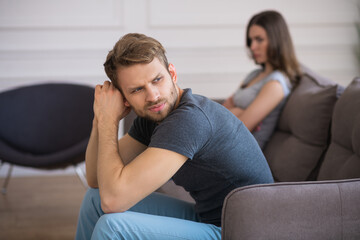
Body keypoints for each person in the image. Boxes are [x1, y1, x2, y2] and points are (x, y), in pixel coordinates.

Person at [75, 33, 274, 240]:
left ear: (172, 73)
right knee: (94, 199)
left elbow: (114, 201)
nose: (153, 96)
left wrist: (109, 122)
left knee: (112, 227)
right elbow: (95, 179)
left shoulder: (189, 120)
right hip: (210, 218)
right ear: (124, 98)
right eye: (137, 89)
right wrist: (101, 116)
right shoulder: (153, 117)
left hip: (242, 231)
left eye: (157, 80)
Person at [223, 10, 302, 149]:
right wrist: (237, 111)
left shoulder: (275, 84)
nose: (252, 47)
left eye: (259, 39)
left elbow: (241, 128)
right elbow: (224, 108)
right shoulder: (254, 74)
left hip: (240, 153)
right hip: (224, 142)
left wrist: (237, 110)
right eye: (250, 40)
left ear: (276, 40)